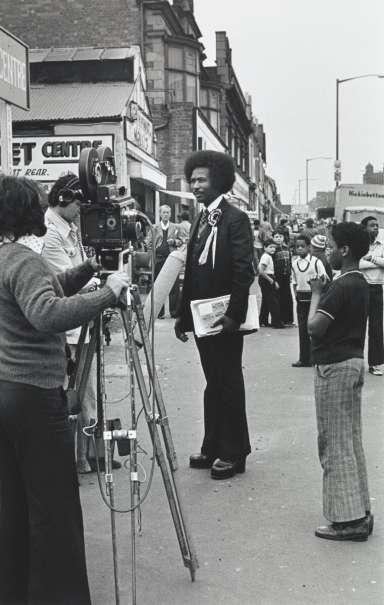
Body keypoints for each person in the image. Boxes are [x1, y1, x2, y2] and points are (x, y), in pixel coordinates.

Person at [0, 175, 129, 605]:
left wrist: (88, 271)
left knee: (19, 509)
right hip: (35, 396)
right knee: (55, 509)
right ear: (29, 212)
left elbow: (44, 292)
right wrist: (108, 294)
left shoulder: (1, 257)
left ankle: (19, 593)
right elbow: (46, 313)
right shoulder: (25, 261)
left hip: (7, 393)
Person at [174, 150, 254, 480]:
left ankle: (234, 452)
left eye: (202, 179)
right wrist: (182, 316)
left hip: (225, 319)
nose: (195, 185)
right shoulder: (202, 219)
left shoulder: (236, 218)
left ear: (218, 180)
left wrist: (233, 316)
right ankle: (213, 445)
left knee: (229, 381)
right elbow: (191, 272)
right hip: (202, 317)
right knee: (213, 383)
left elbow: (243, 271)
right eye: (192, 179)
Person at [42, 173, 120, 474]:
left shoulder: (70, 228)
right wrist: (103, 287)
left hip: (81, 321)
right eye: (77, 203)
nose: (80, 209)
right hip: (70, 327)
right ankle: (78, 456)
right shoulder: (50, 234)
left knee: (88, 390)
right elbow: (68, 282)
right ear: (62, 199)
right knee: (76, 391)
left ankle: (90, 453)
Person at [308, 222, 373, 541]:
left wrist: (316, 294)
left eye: (330, 246)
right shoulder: (359, 282)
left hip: (333, 366)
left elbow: (314, 328)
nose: (325, 251)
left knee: (334, 443)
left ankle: (347, 521)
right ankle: (360, 512)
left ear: (344, 250)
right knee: (349, 439)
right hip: (353, 362)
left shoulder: (338, 287)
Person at [291, 234, 327, 367]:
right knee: (302, 330)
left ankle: (316, 358)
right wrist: (295, 295)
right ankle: (304, 359)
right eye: (297, 247)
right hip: (301, 299)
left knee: (314, 329)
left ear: (309, 247)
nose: (300, 249)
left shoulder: (316, 262)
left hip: (314, 299)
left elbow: (325, 279)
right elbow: (294, 281)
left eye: (302, 246)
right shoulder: (294, 263)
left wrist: (318, 292)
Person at [146, 204, 182, 318]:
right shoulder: (154, 227)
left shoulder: (176, 227)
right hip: (158, 259)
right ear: (160, 214)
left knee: (174, 285)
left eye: (168, 212)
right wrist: (153, 251)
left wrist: (175, 242)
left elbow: (181, 241)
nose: (166, 214)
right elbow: (148, 242)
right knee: (157, 285)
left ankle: (174, 312)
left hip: (172, 259)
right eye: (164, 212)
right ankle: (159, 312)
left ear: (170, 214)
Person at [359, 216, 384, 376]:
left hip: (376, 288)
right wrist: (377, 262)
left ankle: (375, 364)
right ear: (364, 228)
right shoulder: (359, 244)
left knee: (376, 328)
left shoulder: (381, 244)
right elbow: (356, 264)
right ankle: (355, 363)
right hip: (360, 287)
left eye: (377, 225)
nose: (375, 228)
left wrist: (371, 258)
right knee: (357, 326)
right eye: (372, 225)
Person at [258, 239, 283, 328]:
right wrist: (271, 280)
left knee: (266, 301)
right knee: (273, 301)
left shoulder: (268, 256)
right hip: (266, 279)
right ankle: (277, 323)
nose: (273, 249)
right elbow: (261, 271)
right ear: (265, 248)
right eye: (270, 247)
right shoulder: (266, 257)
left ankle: (262, 320)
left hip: (267, 278)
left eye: (274, 247)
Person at [272, 229, 293, 325]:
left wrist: (291, 274)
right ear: (273, 238)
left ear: (283, 238)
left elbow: (290, 262)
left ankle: (288, 319)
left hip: (286, 275)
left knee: (287, 297)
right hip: (277, 276)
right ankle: (279, 319)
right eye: (276, 237)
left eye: (280, 236)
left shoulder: (287, 248)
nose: (278, 239)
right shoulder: (272, 249)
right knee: (278, 298)